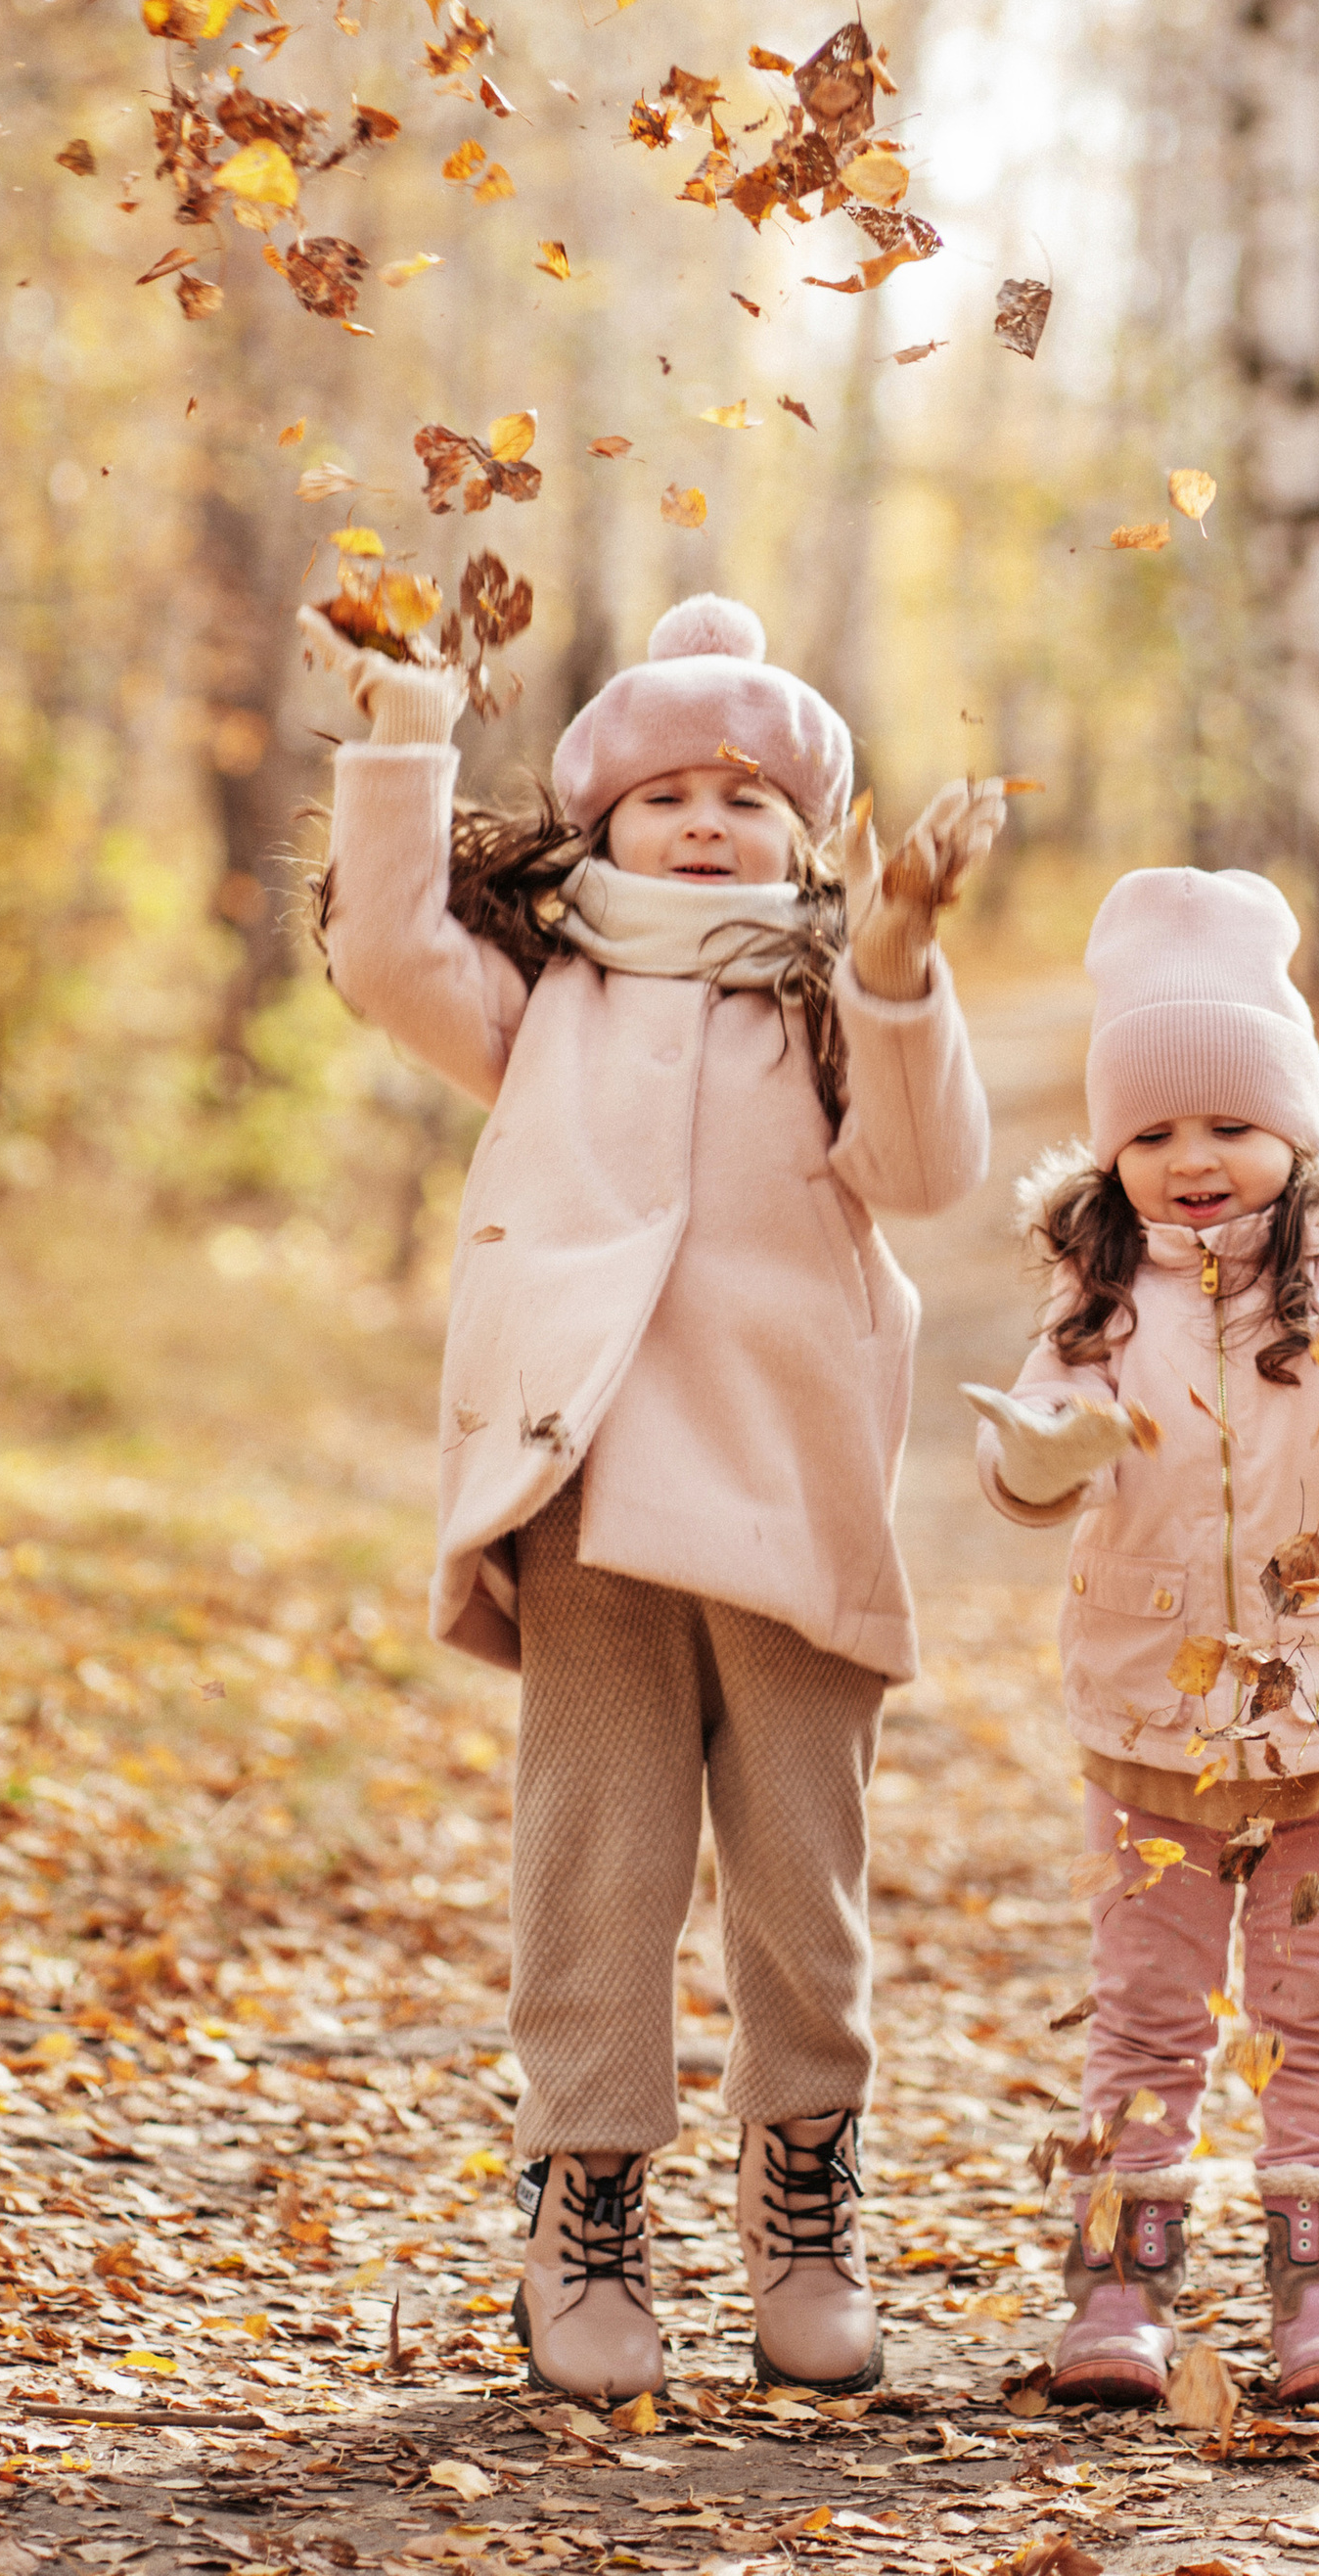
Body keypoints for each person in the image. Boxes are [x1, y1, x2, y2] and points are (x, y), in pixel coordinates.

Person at [303, 588, 1001, 2406]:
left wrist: (907, 956)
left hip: (792, 1491)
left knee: (800, 1880)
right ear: (598, 822)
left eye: (751, 795)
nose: (710, 820)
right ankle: (585, 2199)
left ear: (803, 836)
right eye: (669, 791)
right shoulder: (550, 1002)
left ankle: (807, 2199)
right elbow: (383, 954)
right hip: (588, 1483)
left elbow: (930, 1172)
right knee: (595, 1873)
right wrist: (401, 729)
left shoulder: (833, 1003)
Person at [963, 866, 1319, 2410]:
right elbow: (1033, 1439)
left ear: (1297, 1127)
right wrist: (1040, 1457)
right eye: (1152, 1133)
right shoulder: (1096, 1287)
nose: (1192, 1160)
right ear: (1114, 1149)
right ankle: (1119, 2290)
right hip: (1150, 1728)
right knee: (1145, 2010)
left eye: (1227, 1125)